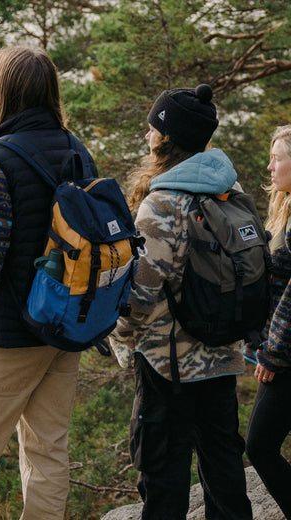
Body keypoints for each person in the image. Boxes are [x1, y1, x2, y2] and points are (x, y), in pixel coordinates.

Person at [0, 45, 98, 520]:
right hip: (62, 330)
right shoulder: (79, 152)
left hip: (4, 336)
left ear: (3, 91)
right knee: (48, 454)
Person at [109, 84, 253, 520]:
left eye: (153, 126)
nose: (147, 132)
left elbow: (140, 294)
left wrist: (119, 340)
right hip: (224, 355)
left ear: (166, 138)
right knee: (225, 472)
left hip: (167, 365)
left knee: (163, 478)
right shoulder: (230, 189)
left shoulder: (163, 203)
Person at [244, 125, 291, 520]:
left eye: (278, 157)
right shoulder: (284, 208)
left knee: (259, 446)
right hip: (281, 349)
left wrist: (272, 353)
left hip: (287, 354)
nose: (270, 165)